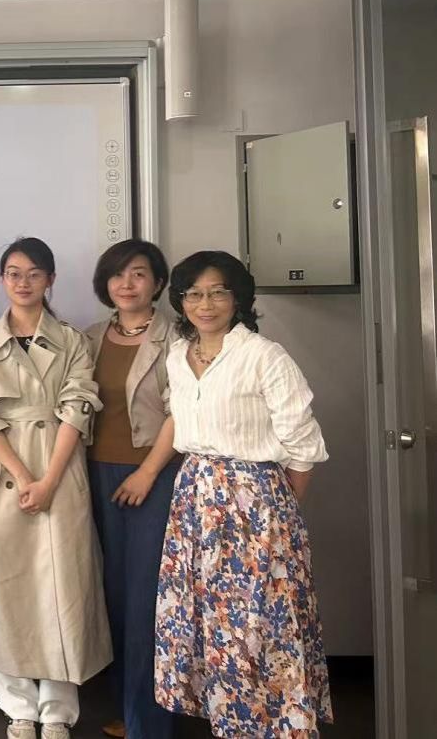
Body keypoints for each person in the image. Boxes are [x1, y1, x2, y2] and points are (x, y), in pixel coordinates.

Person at [154, 251, 332, 737]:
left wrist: (277, 512)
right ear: (181, 300)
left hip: (256, 504)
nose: (205, 304)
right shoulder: (177, 356)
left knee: (261, 623)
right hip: (194, 502)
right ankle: (229, 722)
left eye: (218, 292)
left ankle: (278, 726)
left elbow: (303, 445)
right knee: (209, 622)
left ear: (237, 299)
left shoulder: (264, 355)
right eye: (194, 293)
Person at [0, 236, 110, 739]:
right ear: (2, 279)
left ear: (50, 280)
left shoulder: (73, 341)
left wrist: (48, 479)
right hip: (2, 473)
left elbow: (78, 408)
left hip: (59, 467)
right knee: (5, 587)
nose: (23, 283)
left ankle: (58, 709)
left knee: (63, 587)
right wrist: (23, 477)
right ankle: (18, 706)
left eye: (34, 273)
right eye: (14, 273)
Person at [82, 240, 178, 739]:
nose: (127, 284)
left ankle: (151, 723)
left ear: (157, 283)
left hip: (152, 479)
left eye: (138, 274)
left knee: (147, 601)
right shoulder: (90, 337)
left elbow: (183, 411)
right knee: (113, 596)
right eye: (117, 275)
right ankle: (127, 707)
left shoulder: (176, 337)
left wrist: (147, 473)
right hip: (95, 475)